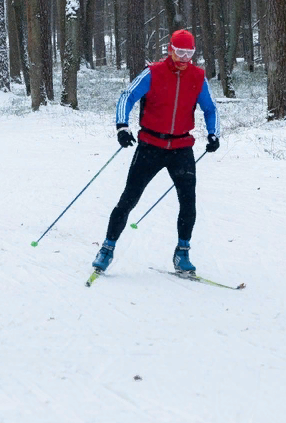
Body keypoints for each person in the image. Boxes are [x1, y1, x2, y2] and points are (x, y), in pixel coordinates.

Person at [92, 29, 220, 275]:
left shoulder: (198, 77)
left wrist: (213, 133)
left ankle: (182, 253)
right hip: (151, 145)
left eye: (189, 53)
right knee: (129, 199)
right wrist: (122, 127)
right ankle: (107, 248)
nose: (183, 58)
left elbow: (210, 109)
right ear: (170, 50)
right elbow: (126, 97)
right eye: (179, 52)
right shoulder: (152, 73)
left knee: (188, 202)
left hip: (181, 147)